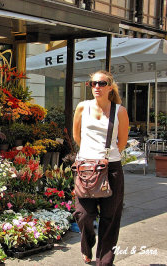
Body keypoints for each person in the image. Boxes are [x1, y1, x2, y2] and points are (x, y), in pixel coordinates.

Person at [72, 70, 129, 265]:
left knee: (110, 217)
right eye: (93, 83)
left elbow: (122, 142)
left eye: (101, 83)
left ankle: (104, 260)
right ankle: (87, 244)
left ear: (110, 87)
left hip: (110, 167)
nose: (96, 87)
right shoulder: (82, 107)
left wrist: (106, 155)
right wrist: (89, 154)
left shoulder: (119, 111)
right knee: (83, 214)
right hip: (86, 167)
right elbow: (76, 136)